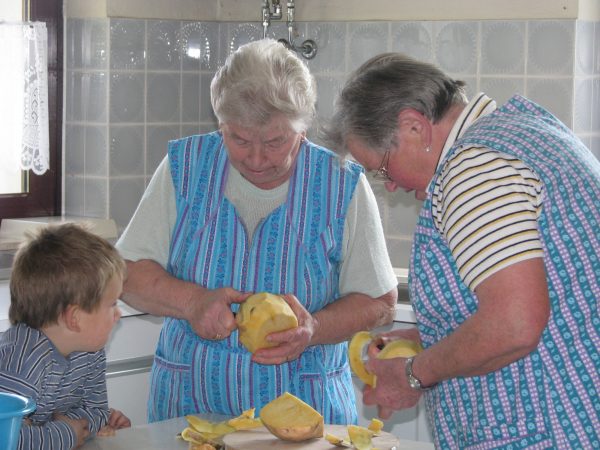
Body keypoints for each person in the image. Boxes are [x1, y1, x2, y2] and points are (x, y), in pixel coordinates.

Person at [116, 38, 398, 425]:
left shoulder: (340, 182)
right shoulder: (185, 168)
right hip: (191, 412)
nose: (256, 158)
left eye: (275, 141)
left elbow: (379, 300)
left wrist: (314, 329)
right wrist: (192, 302)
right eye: (240, 139)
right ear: (221, 124)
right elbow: (127, 274)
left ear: (303, 128)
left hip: (307, 416)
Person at [324, 53, 599, 449]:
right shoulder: (524, 130)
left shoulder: (473, 169)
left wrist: (415, 373)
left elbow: (515, 323)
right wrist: (432, 336)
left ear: (414, 126)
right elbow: (545, 298)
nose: (390, 185)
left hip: (551, 430)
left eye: (382, 168)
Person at [0, 224, 132, 449]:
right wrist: (66, 433)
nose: (118, 314)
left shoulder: (90, 351)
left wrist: (72, 427)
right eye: (112, 305)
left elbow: (97, 412)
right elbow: (7, 439)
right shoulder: (24, 359)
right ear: (75, 318)